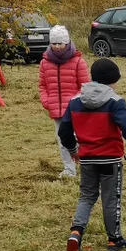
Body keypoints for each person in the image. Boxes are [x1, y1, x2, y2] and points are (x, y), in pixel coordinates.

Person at [58, 58, 126, 251]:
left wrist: (73, 149)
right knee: (111, 200)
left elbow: (64, 130)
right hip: (110, 159)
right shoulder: (115, 101)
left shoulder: (75, 101)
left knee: (87, 196)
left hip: (87, 158)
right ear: (112, 80)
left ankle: (76, 233)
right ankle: (114, 240)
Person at [38, 25, 90, 179]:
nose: (57, 47)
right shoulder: (44, 63)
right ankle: (69, 169)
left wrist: (75, 102)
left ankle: (87, 164)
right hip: (55, 109)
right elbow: (42, 85)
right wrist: (46, 101)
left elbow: (84, 86)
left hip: (74, 110)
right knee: (62, 140)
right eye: (54, 43)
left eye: (60, 43)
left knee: (78, 137)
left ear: (67, 43)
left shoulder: (78, 62)